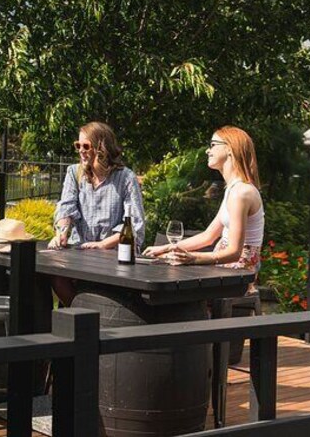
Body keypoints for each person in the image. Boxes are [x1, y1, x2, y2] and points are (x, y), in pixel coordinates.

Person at [144, 126, 264, 290]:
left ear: (230, 149)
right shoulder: (233, 189)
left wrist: (193, 258)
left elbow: (235, 252)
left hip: (237, 275)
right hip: (225, 269)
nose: (208, 150)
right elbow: (208, 236)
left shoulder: (241, 193)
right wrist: (167, 248)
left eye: (213, 144)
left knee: (176, 286)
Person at [48, 122, 146, 305]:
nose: (81, 151)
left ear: (102, 148)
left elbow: (133, 224)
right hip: (80, 251)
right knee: (53, 273)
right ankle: (80, 314)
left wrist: (102, 245)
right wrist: (61, 232)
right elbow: (66, 207)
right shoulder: (74, 172)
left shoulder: (125, 177)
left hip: (112, 256)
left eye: (86, 146)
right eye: (78, 146)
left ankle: (94, 319)